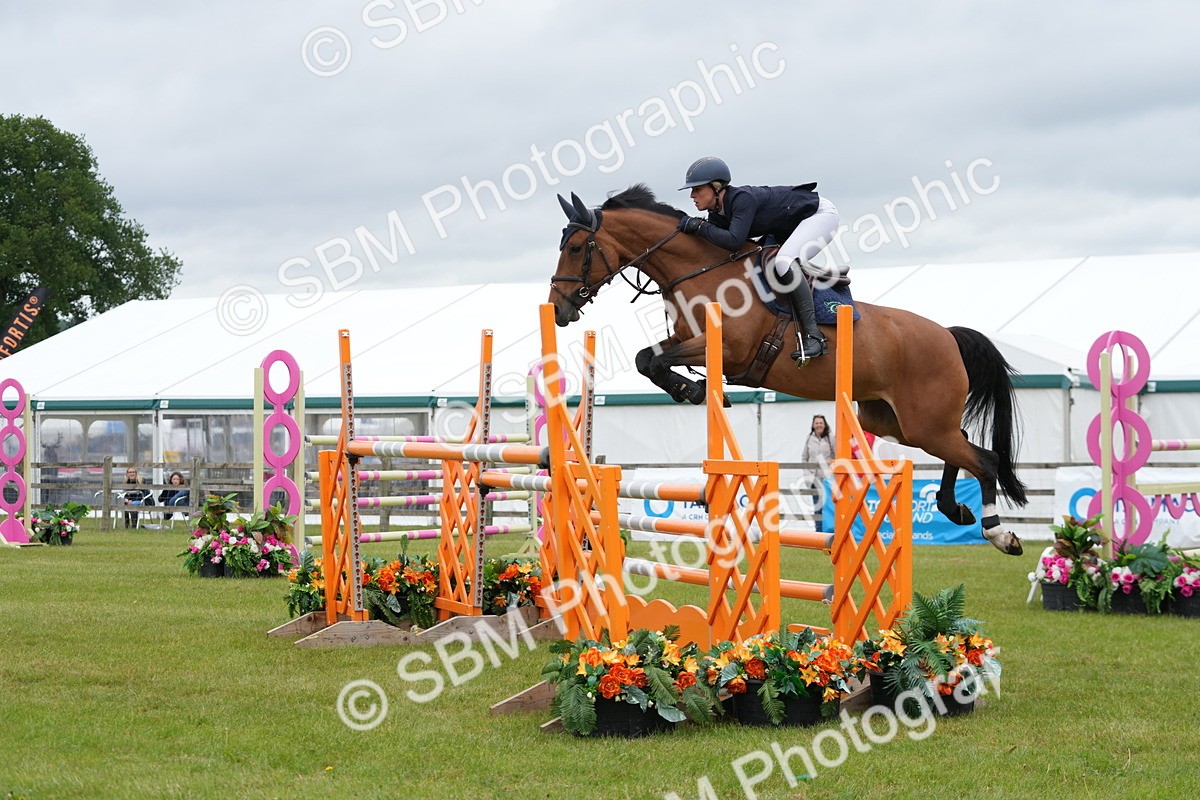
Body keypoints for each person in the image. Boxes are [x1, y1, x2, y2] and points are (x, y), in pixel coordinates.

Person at [676, 156, 842, 366]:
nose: (692, 195)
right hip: (789, 226)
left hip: (819, 216)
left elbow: (734, 241)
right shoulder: (718, 214)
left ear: (716, 187)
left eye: (697, 189)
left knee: (783, 261)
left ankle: (814, 336)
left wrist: (698, 226)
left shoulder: (741, 199)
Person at [801, 415, 834, 532]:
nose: (819, 425)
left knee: (829, 506)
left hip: (828, 480)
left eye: (821, 423)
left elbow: (836, 456)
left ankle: (831, 531)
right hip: (814, 479)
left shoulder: (831, 438)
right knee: (817, 507)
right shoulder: (809, 438)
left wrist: (832, 471)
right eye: (816, 423)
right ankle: (818, 533)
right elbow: (804, 457)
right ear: (813, 425)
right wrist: (806, 474)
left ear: (824, 424)